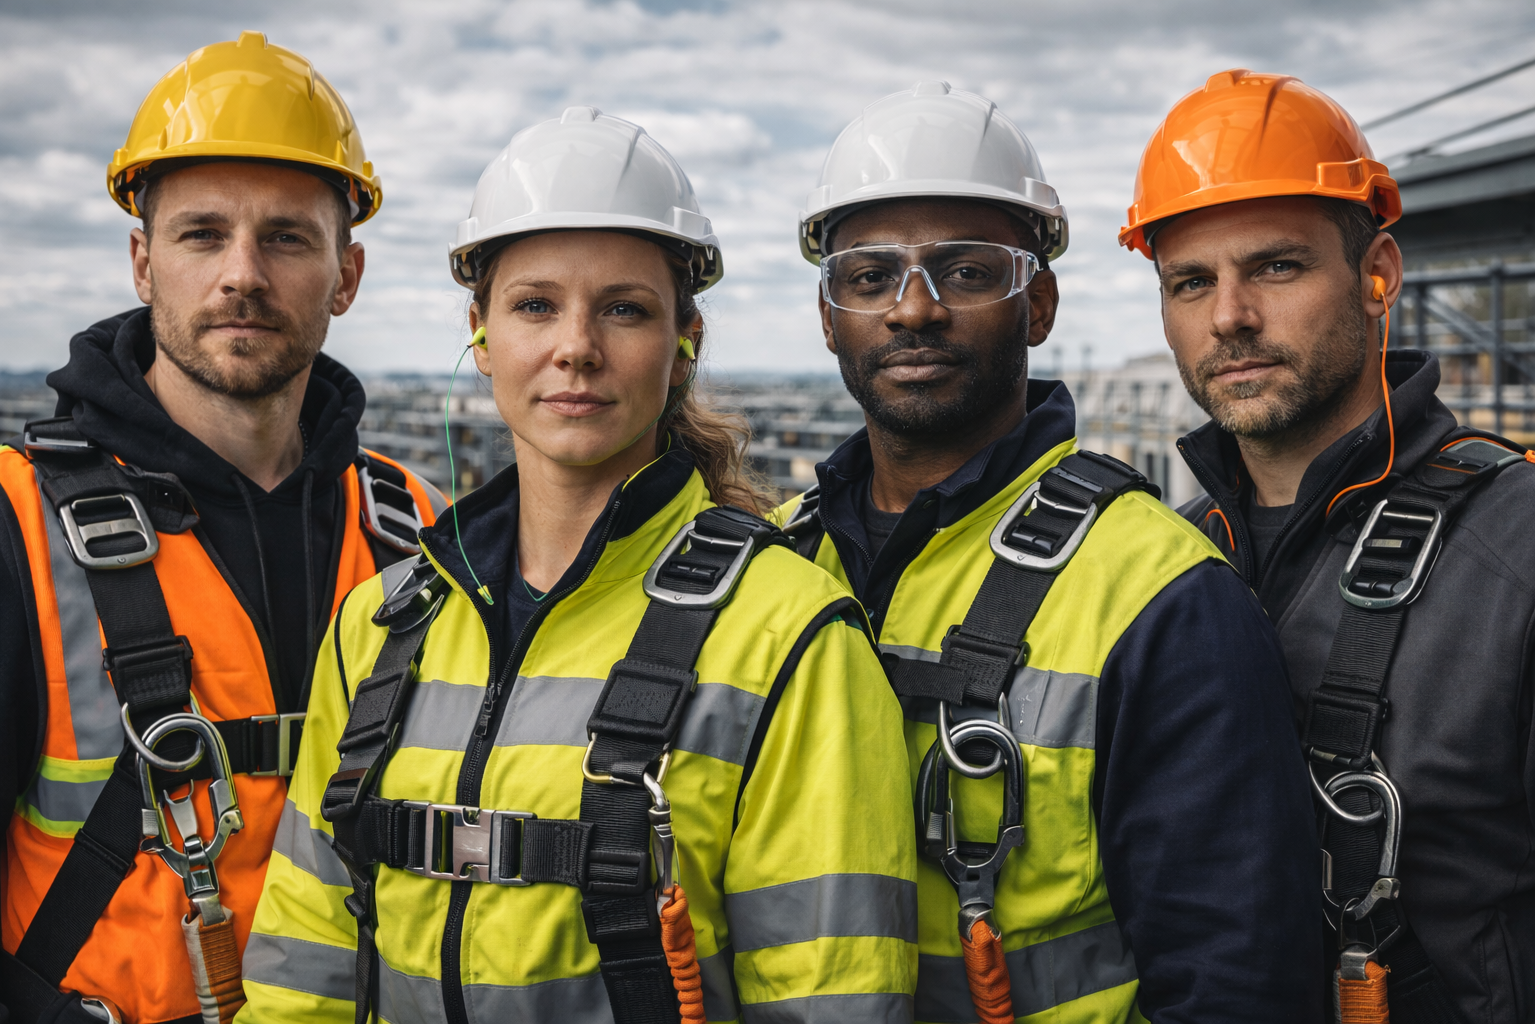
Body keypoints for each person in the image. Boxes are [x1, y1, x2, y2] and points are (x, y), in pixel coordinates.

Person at [235, 106, 917, 1024]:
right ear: (481, 333)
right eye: (535, 305)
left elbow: (834, 998)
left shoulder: (790, 635)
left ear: (686, 344)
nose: (576, 348)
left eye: (625, 309)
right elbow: (303, 965)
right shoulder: (382, 624)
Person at [776, 81, 1323, 1023]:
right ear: (829, 316)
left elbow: (1236, 984)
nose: (914, 309)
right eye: (869, 276)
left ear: (1040, 306)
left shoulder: (1161, 595)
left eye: (969, 270)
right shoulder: (769, 564)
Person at [0, 32, 444, 1024]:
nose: (242, 273)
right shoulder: (18, 527)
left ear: (348, 275)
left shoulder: (420, 529)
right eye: (203, 234)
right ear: (142, 261)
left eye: (287, 237)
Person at [1123, 68, 1535, 1022]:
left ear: (1377, 273)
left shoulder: (1515, 555)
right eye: (1191, 282)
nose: (1229, 316)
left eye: (1276, 266)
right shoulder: (1165, 566)